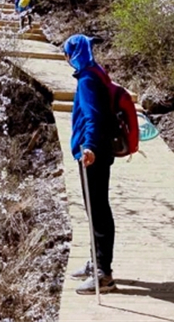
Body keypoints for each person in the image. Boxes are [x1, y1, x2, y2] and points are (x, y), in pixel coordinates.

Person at [63, 34, 116, 295]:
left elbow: (93, 116)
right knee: (96, 210)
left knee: (98, 211)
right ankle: (96, 262)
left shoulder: (87, 80)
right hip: (98, 150)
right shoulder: (96, 72)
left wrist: (90, 146)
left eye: (67, 53)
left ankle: (103, 274)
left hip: (92, 153)